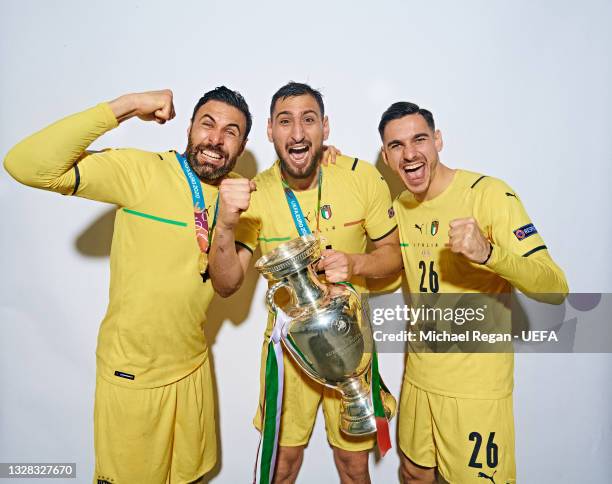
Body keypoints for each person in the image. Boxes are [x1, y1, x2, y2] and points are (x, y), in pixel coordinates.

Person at [3, 87, 252, 483]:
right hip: (133, 378)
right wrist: (127, 106)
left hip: (192, 370)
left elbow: (226, 285)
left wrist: (226, 224)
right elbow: (26, 165)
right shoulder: (142, 171)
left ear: (242, 146)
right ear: (189, 128)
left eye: (231, 131)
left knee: (189, 478)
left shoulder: (242, 197)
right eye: (208, 124)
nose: (216, 139)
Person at [209, 82, 402, 484]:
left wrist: (355, 262)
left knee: (353, 466)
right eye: (285, 121)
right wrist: (225, 223)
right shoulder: (255, 194)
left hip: (351, 343)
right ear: (269, 131)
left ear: (325, 127)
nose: (297, 132)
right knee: (282, 465)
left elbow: (394, 255)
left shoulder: (360, 177)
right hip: (291, 350)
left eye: (308, 120)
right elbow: (226, 283)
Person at [378, 101, 569, 483]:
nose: (410, 153)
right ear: (386, 156)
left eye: (419, 140)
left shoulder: (490, 194)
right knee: (414, 473)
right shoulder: (400, 204)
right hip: (418, 378)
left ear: (438, 140)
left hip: (475, 390)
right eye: (396, 145)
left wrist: (490, 254)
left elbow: (555, 288)